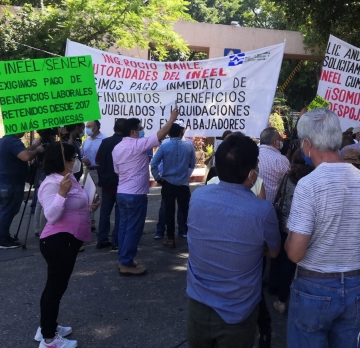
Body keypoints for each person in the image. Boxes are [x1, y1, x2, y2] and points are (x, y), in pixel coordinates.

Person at [285, 108, 360, 348]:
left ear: (308, 144)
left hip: (313, 286)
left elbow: (295, 253)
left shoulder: (308, 185)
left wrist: (289, 239)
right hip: (355, 285)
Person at [186, 132, 281, 348]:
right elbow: (273, 252)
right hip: (238, 311)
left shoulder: (198, 197)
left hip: (197, 305)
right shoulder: (262, 211)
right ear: (252, 171)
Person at [34, 142, 99, 348]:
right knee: (54, 288)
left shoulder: (68, 178)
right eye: (72, 159)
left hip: (69, 240)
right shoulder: (52, 184)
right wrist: (61, 193)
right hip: (57, 242)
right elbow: (51, 215)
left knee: (58, 287)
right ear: (63, 160)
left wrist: (88, 207)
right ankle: (49, 339)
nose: (76, 162)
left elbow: (72, 208)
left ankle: (48, 326)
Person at [112, 110, 178, 276]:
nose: (142, 131)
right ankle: (126, 263)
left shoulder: (117, 148)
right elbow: (160, 134)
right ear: (133, 132)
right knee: (133, 229)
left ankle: (124, 259)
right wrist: (171, 119)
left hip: (122, 192)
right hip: (135, 195)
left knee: (124, 228)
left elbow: (118, 172)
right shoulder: (137, 144)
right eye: (140, 129)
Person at [271, 150, 314, 314]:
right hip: (306, 225)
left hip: (284, 225)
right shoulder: (311, 179)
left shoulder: (285, 177)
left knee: (284, 262)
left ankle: (281, 300)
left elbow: (278, 196)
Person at [150, 121, 196, 249]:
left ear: (169, 133)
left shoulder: (164, 146)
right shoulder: (189, 146)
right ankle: (187, 233)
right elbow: (192, 164)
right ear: (181, 132)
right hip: (182, 183)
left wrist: (158, 178)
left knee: (168, 211)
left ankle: (170, 238)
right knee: (186, 210)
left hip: (168, 183)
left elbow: (154, 164)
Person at [0, 132, 43, 249]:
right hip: (10, 184)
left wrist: (34, 146)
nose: (24, 132)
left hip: (5, 182)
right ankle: (1, 241)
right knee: (8, 211)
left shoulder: (7, 140)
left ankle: (3, 236)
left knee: (5, 210)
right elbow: (25, 156)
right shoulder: (12, 141)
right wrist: (38, 151)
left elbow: (22, 152)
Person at [96, 118, 126, 250]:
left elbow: (97, 160)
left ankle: (102, 239)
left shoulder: (105, 142)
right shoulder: (126, 143)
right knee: (120, 213)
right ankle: (117, 240)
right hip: (121, 183)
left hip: (107, 182)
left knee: (105, 212)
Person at [82, 120, 105, 232]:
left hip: (99, 171)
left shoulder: (104, 140)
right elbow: (82, 155)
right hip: (88, 171)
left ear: (96, 127)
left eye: (89, 126)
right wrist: (83, 160)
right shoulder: (86, 141)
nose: (87, 128)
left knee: (101, 197)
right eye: (86, 126)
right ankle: (89, 222)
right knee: (87, 197)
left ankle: (103, 223)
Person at [258, 127, 290, 204]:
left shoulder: (252, 154)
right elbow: (287, 184)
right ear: (275, 143)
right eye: (280, 140)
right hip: (272, 205)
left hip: (251, 203)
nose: (281, 142)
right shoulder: (281, 160)